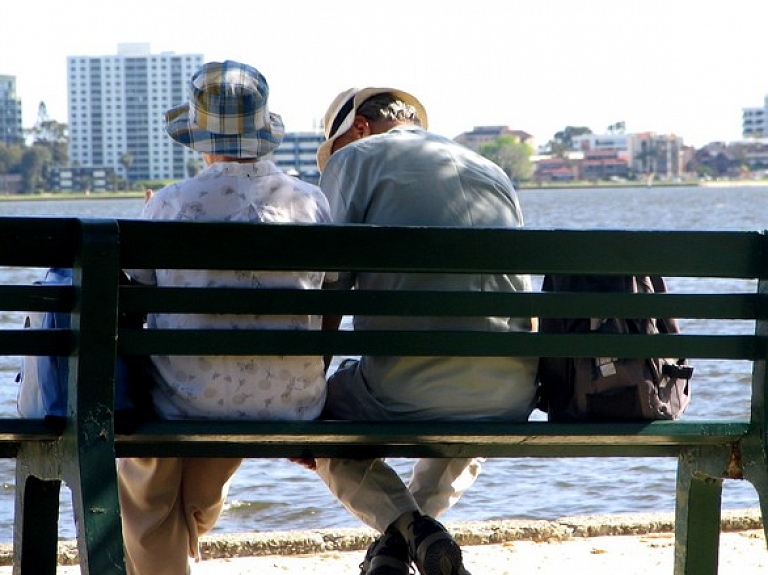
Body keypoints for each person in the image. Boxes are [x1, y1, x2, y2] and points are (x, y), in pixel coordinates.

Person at [116, 60, 332, 575]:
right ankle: (189, 523)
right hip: (292, 403)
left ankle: (163, 554)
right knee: (220, 406)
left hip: (188, 402)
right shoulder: (310, 201)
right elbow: (331, 288)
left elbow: (137, 291)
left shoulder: (169, 204)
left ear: (198, 136)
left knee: (145, 478)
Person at [311, 88, 538, 575]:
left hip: (403, 391)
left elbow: (328, 285)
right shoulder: (492, 172)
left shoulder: (355, 159)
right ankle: (408, 541)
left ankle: (407, 531)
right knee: (465, 419)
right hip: (509, 397)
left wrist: (307, 393)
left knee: (326, 425)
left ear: (358, 129)